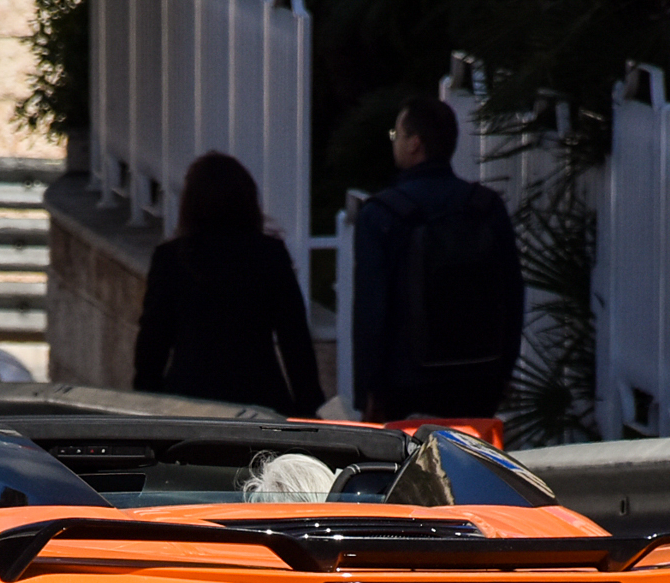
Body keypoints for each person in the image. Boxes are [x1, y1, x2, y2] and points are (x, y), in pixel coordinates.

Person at [350, 95, 524, 420]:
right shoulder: (485, 206)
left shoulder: (382, 213)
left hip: (406, 381)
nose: (395, 142)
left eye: (396, 135)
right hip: (479, 376)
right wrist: (503, 370)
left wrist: (369, 390)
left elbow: (371, 310)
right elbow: (512, 294)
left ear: (414, 144)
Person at [131, 152, 324, 418]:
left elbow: (153, 341)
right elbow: (295, 340)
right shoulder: (270, 255)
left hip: (188, 399)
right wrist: (309, 409)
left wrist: (144, 400)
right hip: (260, 397)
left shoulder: (171, 259)